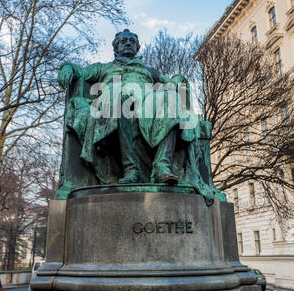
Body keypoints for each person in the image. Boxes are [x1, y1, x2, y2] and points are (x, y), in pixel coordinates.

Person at [58, 29, 218, 204]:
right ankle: (130, 169)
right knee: (119, 97)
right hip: (113, 103)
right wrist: (67, 67)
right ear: (116, 47)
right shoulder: (104, 68)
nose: (128, 43)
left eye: (132, 41)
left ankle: (161, 165)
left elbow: (170, 82)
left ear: (137, 47)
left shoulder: (149, 71)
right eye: (123, 41)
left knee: (171, 97)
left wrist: (178, 80)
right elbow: (80, 72)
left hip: (146, 105)